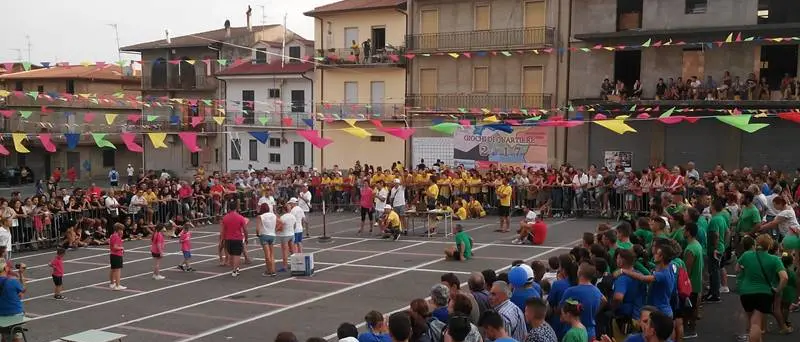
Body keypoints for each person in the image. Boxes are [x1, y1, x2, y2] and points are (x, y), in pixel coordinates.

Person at [737, 234, 789, 341]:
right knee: (756, 323)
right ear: (769, 246)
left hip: (746, 292)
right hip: (764, 293)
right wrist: (777, 290)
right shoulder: (775, 259)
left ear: (757, 243)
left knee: (750, 321)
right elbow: (784, 277)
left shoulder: (746, 255)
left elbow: (737, 268)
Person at [559, 263, 605, 339]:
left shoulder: (571, 291)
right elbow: (604, 300)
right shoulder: (597, 291)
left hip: (574, 331)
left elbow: (561, 308)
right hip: (590, 331)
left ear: (579, 272)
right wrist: (593, 313)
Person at [221, 200, 249, 277]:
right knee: (237, 255)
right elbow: (245, 229)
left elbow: (223, 230)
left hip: (228, 238)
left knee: (231, 254)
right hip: (237, 238)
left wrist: (222, 239)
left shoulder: (225, 218)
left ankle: (235, 268)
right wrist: (246, 238)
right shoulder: (240, 217)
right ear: (236, 208)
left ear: (229, 208)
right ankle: (234, 270)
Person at [256, 203, 278, 277]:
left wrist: (258, 234)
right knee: (272, 254)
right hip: (272, 235)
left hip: (264, 235)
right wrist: (275, 230)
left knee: (267, 255)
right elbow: (280, 223)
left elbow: (258, 228)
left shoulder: (260, 216)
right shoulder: (274, 215)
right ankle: (273, 270)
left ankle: (269, 270)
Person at [277, 202, 296, 272]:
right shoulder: (293, 216)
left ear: (284, 210)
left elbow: (280, 226)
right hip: (291, 234)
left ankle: (285, 266)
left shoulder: (283, 217)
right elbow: (294, 226)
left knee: (285, 251)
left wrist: (276, 230)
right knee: (292, 250)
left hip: (284, 235)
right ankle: (294, 264)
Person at [108, 223, 126, 290]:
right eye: (121, 230)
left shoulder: (112, 235)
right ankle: (117, 285)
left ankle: (112, 283)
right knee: (118, 270)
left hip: (112, 254)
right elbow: (115, 247)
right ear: (118, 230)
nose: (122, 231)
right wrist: (121, 248)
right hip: (117, 255)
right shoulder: (117, 237)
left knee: (113, 269)